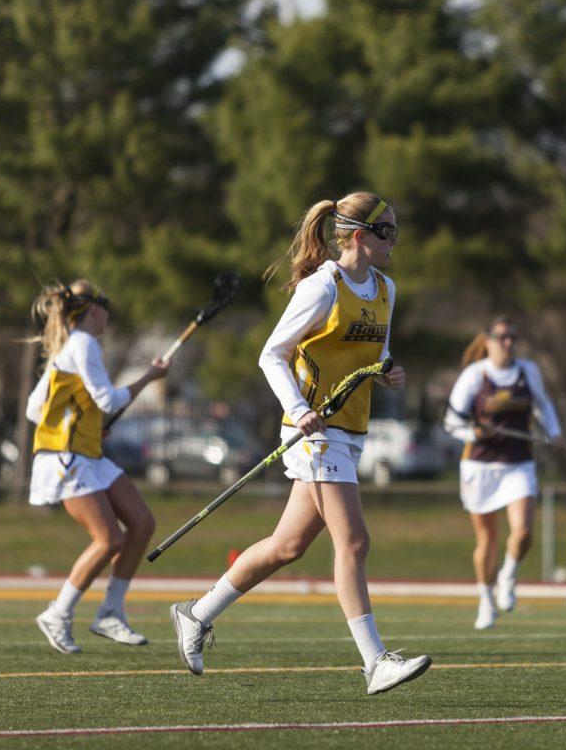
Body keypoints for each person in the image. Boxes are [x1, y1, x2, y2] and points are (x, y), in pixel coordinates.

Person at [168, 193, 431, 695]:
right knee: (353, 542)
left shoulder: (385, 288)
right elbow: (273, 354)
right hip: (314, 433)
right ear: (359, 235)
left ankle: (196, 614)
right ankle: (375, 661)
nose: (395, 241)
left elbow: (375, 350)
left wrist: (388, 371)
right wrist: (298, 408)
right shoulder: (322, 286)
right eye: (387, 232)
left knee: (287, 547)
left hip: (350, 430)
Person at [26, 280, 170, 654]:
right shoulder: (83, 343)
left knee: (141, 522)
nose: (108, 311)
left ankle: (110, 612)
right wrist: (149, 378)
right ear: (94, 309)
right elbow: (108, 398)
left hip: (86, 453)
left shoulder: (70, 347)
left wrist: (85, 421)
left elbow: (34, 408)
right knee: (109, 540)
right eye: (105, 303)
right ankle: (58, 614)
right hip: (66, 458)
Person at [445, 316, 565, 630]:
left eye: (513, 337)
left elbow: (542, 404)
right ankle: (486, 600)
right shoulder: (475, 375)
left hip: (518, 463)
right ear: (487, 341)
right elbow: (452, 421)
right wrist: (474, 433)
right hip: (480, 465)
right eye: (502, 337)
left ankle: (508, 576)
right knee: (487, 540)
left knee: (523, 531)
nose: (508, 343)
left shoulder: (528, 371)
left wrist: (554, 432)